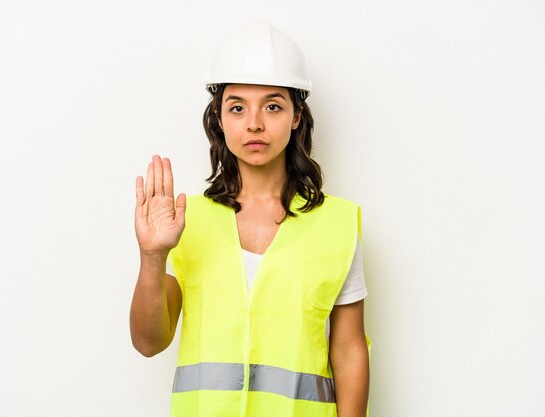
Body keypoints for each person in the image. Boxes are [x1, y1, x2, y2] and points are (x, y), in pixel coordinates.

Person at [130, 22, 370, 417]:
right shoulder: (185, 221)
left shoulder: (337, 225)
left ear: (296, 116)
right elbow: (148, 341)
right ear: (219, 119)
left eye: (273, 106)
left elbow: (348, 351)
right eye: (237, 107)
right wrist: (152, 257)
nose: (254, 123)